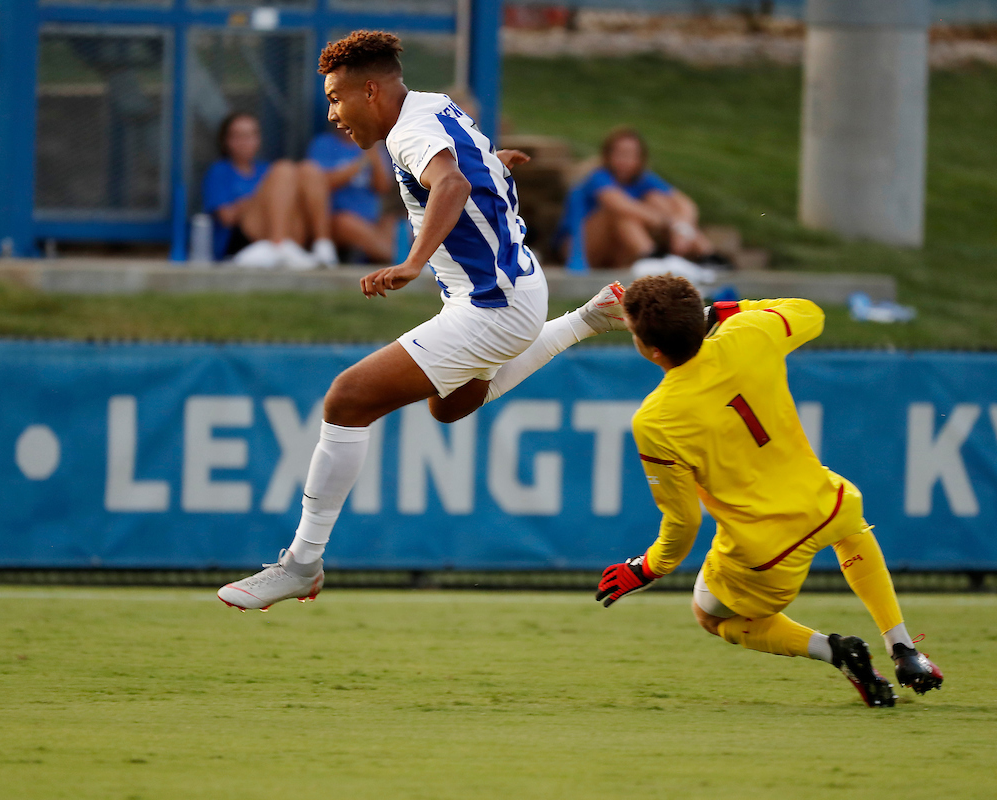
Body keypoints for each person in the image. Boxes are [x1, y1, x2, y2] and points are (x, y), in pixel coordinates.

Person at [218, 30, 626, 611]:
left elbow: (454, 182)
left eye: (337, 98)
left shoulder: (409, 132)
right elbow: (467, 168)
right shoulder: (433, 104)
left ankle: (301, 563)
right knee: (450, 405)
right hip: (516, 288)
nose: (333, 114)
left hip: (491, 305)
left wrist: (412, 261)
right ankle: (589, 319)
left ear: (372, 89)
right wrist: (495, 163)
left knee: (347, 398)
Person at [595, 275, 944, 707]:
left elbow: (683, 524)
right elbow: (809, 313)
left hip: (764, 552)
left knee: (708, 615)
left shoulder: (655, 420)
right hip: (825, 502)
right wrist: (726, 311)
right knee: (849, 524)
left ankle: (835, 650)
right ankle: (903, 647)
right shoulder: (749, 332)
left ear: (651, 349)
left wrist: (646, 568)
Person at [560, 127, 713, 269]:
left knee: (657, 200)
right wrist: (666, 222)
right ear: (607, 155)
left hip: (618, 252)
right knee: (621, 213)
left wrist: (682, 228)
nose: (626, 160)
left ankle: (708, 255)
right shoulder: (599, 177)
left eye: (632, 155)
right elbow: (617, 203)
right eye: (621, 154)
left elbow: (684, 203)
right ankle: (651, 257)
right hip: (579, 247)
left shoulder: (643, 179)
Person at [201, 111, 336, 270]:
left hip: (288, 231)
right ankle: (279, 244)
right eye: (239, 136)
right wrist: (259, 200)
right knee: (284, 169)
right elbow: (226, 217)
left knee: (309, 170)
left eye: (251, 135)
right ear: (226, 141)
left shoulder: (264, 169)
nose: (245, 142)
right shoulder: (220, 171)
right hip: (243, 238)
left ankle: (323, 246)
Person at [305, 126, 395, 264]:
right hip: (335, 217)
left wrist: (375, 158)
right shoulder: (324, 143)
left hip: (370, 219)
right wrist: (361, 163)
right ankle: (399, 258)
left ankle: (401, 256)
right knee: (346, 222)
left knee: (394, 221)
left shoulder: (371, 145)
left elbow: (383, 187)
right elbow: (321, 182)